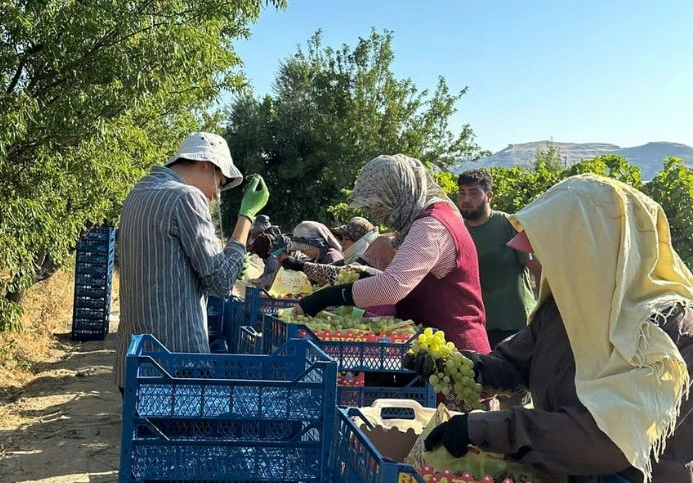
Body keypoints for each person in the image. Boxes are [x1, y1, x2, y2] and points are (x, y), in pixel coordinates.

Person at [412, 175, 693, 483]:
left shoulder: (667, 327)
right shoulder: (568, 307)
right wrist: (465, 366)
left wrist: (488, 429)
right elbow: (516, 363)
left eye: (552, 253)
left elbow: (610, 437)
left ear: (594, 250)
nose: (540, 265)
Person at [112, 132, 269, 397]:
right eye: (219, 183)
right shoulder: (185, 197)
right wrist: (246, 217)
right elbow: (220, 283)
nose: (216, 196)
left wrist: (228, 259)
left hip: (133, 363)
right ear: (205, 164)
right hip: (176, 364)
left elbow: (168, 264)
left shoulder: (138, 193)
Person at [294, 154, 491, 356]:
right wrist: (369, 276)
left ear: (398, 192)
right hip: (433, 348)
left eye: (377, 202)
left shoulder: (431, 225)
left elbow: (392, 287)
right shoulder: (430, 218)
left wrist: (322, 298)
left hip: (456, 351)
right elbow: (407, 279)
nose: (374, 211)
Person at [457, 169, 540, 409]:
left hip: (514, 326)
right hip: (475, 327)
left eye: (474, 193)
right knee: (475, 396)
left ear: (489, 196)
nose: (466, 199)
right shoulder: (458, 231)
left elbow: (538, 269)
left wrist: (543, 315)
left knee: (514, 400)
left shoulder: (509, 224)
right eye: (462, 193)